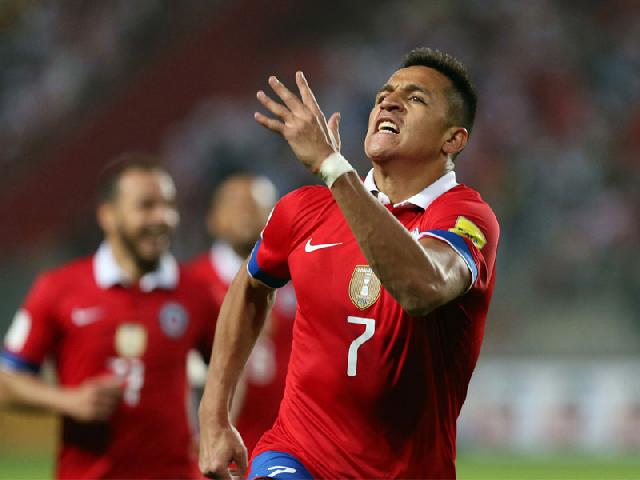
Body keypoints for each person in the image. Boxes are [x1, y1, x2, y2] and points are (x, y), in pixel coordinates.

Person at [198, 47, 500, 479]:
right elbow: (249, 286)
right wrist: (213, 416)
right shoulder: (304, 210)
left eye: (415, 98)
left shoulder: (466, 217)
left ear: (452, 139)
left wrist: (332, 167)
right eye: (384, 95)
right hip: (297, 455)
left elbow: (422, 288)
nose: (390, 102)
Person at [0, 154, 218, 479]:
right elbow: (6, 382)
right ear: (108, 215)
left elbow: (229, 372)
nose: (163, 217)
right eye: (146, 206)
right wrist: (68, 401)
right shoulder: (58, 288)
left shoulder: (197, 293)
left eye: (169, 205)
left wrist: (216, 425)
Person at [187, 173, 296, 456]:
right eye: (235, 205)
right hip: (215, 448)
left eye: (256, 205)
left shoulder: (300, 275)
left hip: (291, 444)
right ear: (213, 219)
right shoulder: (191, 284)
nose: (246, 213)